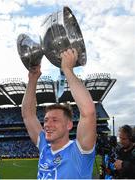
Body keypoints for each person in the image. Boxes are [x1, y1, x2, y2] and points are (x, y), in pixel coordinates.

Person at [21, 48, 97, 179]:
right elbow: (28, 114)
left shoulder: (79, 151)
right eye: (46, 120)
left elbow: (88, 112)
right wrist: (32, 78)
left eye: (55, 120)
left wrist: (67, 70)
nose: (47, 125)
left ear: (68, 125)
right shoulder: (44, 146)